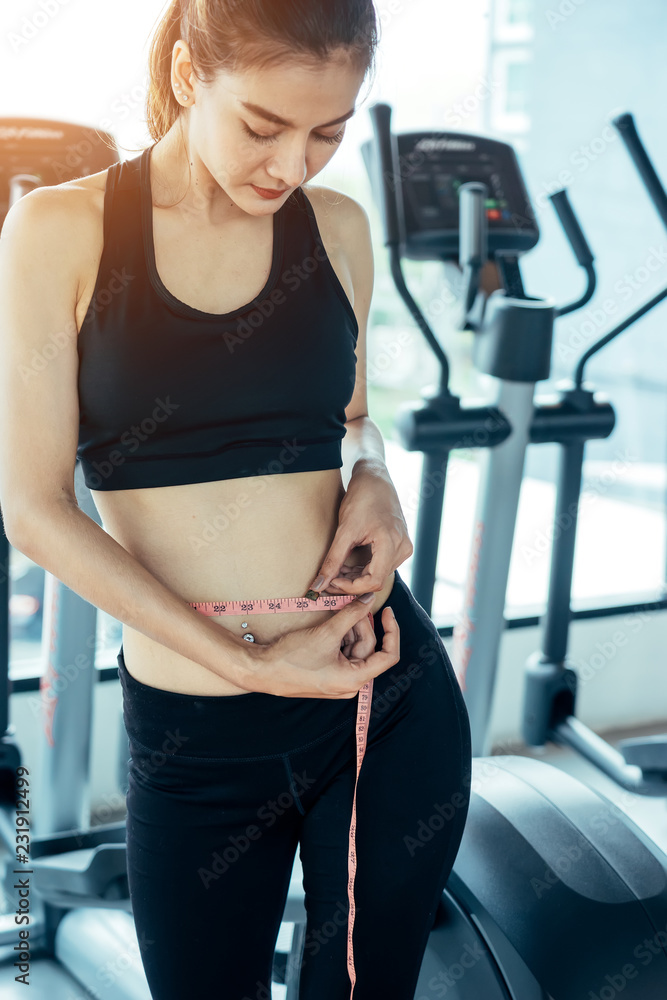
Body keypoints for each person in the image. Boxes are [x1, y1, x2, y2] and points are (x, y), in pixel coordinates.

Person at [0, 1, 472, 997]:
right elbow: (33, 507)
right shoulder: (60, 231)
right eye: (263, 126)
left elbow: (350, 419)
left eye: (327, 132)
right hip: (197, 731)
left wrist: (376, 479)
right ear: (184, 75)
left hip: (376, 692)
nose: (291, 165)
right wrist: (251, 666)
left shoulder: (337, 229)